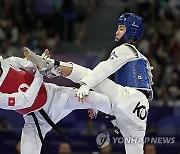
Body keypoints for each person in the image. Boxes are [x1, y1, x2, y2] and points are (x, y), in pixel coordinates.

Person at [28, 13, 154, 154]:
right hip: (139, 112)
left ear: (131, 30)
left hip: (129, 98)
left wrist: (86, 85)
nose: (117, 32)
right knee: (135, 150)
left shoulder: (125, 49)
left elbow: (105, 68)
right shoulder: (141, 58)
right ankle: (58, 73)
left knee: (86, 74)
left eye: (121, 28)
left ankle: (51, 65)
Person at [0, 52, 112, 154]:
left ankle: (123, 119)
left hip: (56, 96)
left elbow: (35, 66)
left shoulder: (10, 62)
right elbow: (27, 100)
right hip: (35, 122)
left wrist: (41, 61)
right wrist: (40, 75)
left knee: (99, 100)